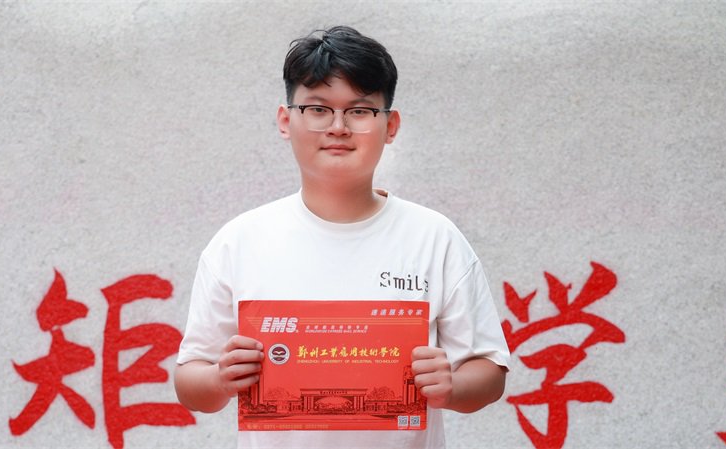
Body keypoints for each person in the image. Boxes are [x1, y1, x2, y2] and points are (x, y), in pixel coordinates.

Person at [175, 25, 510, 449]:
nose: (338, 127)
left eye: (359, 111)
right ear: (286, 120)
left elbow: (489, 372)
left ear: (391, 126)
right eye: (317, 109)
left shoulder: (434, 238)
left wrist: (453, 387)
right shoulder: (239, 241)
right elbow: (190, 381)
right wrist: (219, 379)